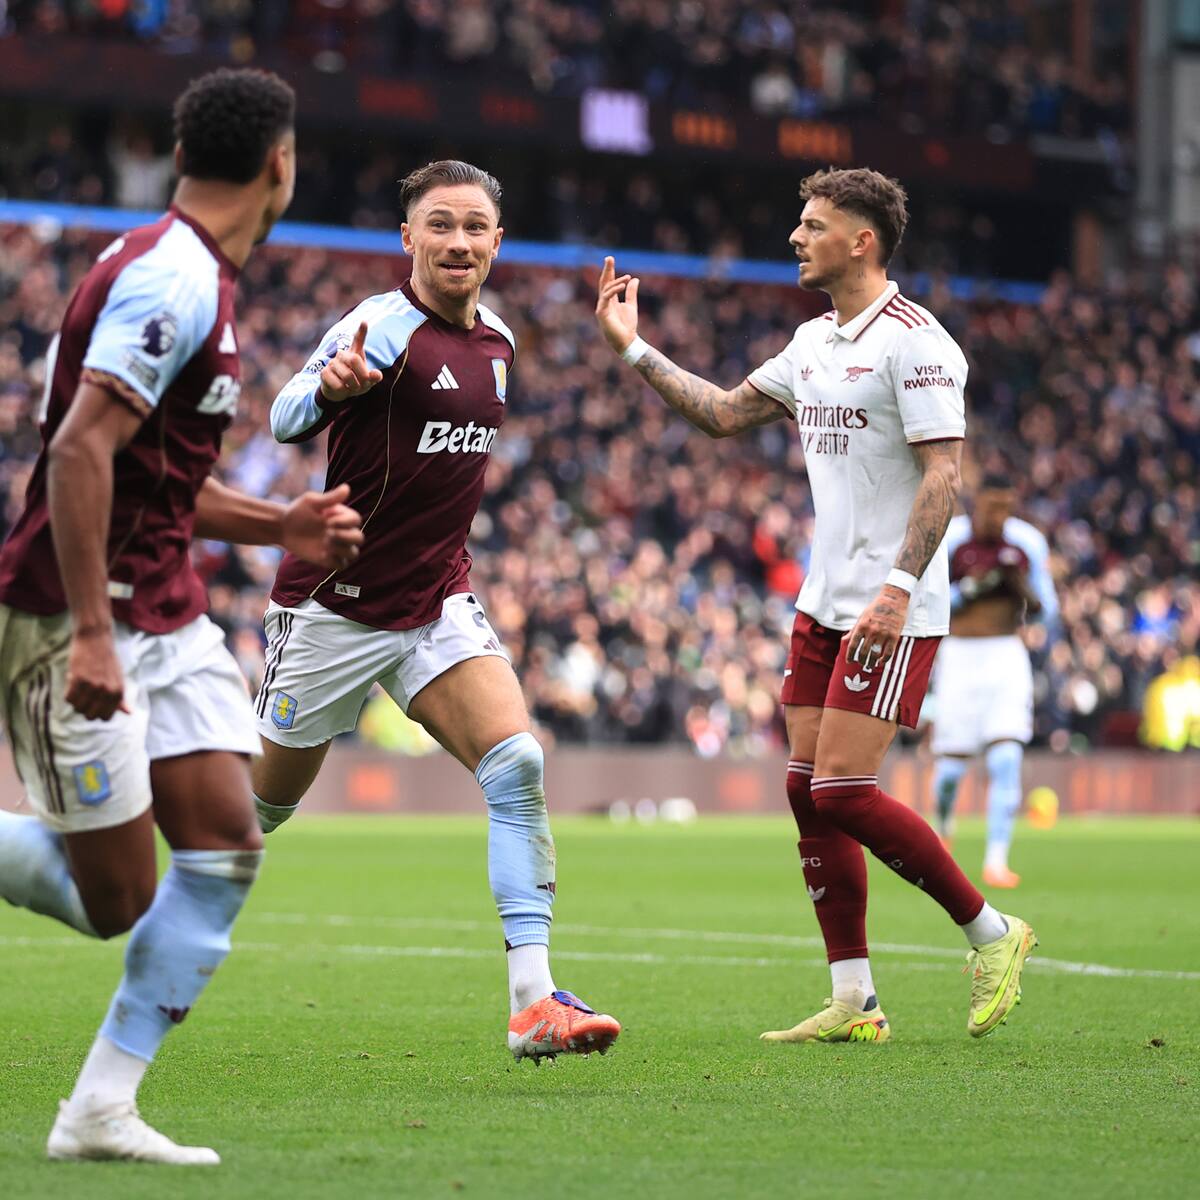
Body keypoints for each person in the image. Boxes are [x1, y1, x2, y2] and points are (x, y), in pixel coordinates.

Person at [0, 68, 364, 1164]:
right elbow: (77, 454)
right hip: (78, 620)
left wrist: (279, 527)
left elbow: (152, 477)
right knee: (117, 898)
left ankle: (100, 1112)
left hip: (165, 608)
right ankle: (101, 1108)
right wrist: (96, 634)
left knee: (224, 843)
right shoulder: (172, 281)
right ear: (280, 166)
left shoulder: (191, 271)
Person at [595, 167, 1037, 1044]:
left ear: (860, 241)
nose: (796, 237)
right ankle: (854, 998)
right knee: (805, 788)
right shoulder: (813, 344)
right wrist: (632, 349)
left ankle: (994, 934)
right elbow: (723, 415)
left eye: (812, 224)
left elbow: (946, 474)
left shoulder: (919, 343)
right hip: (823, 601)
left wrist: (898, 589)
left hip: (892, 605)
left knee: (840, 786)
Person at [250, 159, 620, 1062]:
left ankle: (534, 1003)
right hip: (334, 606)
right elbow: (283, 414)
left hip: (435, 601)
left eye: (476, 227)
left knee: (518, 764)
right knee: (249, 816)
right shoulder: (379, 325)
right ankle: (83, 835)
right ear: (407, 238)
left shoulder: (500, 340)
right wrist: (329, 390)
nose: (459, 242)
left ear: (498, 240)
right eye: (440, 225)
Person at [929, 473, 1059, 886]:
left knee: (1006, 759)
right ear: (975, 505)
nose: (999, 516)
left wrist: (1022, 591)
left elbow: (1047, 608)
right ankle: (944, 829)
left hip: (1006, 654)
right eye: (992, 507)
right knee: (951, 771)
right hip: (959, 655)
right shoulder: (951, 540)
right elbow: (927, 598)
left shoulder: (1027, 543)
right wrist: (968, 591)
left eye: (1006, 507)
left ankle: (996, 860)